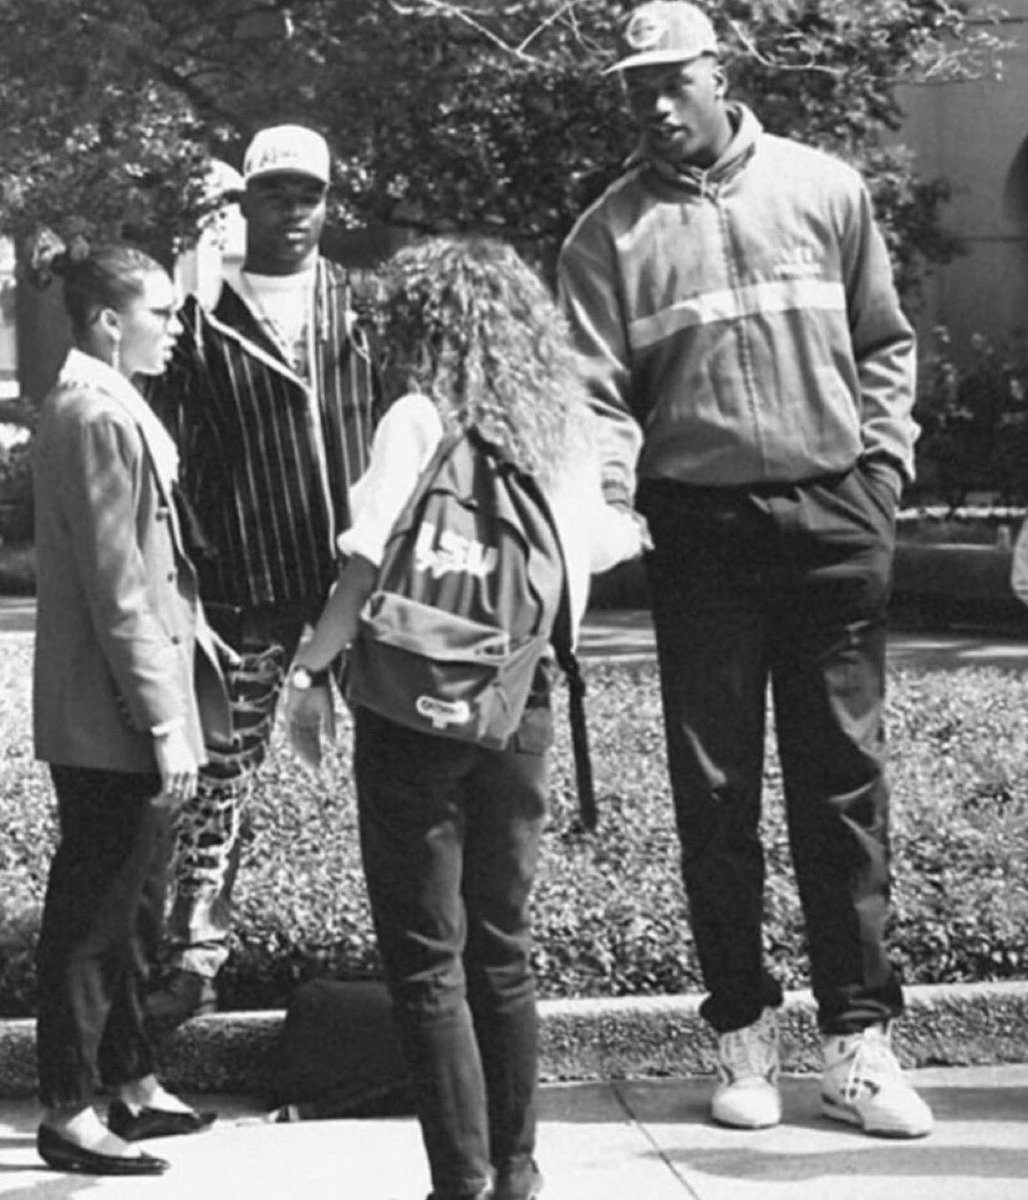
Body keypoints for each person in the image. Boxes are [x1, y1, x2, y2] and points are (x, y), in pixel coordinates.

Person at [557, 0, 933, 1139]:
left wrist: (880, 474)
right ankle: (742, 1036)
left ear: (720, 75)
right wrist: (610, 508)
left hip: (834, 516)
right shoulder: (605, 237)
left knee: (843, 788)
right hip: (699, 533)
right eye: (636, 87)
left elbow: (883, 342)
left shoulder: (824, 188)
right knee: (715, 798)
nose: (655, 103)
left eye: (673, 80)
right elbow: (594, 398)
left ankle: (856, 1045)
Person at [284, 236, 642, 1200]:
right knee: (502, 950)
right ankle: (515, 1170)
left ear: (427, 326)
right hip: (519, 704)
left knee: (426, 959)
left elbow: (364, 566)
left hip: (411, 709)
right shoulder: (562, 427)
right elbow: (591, 554)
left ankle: (460, 1181)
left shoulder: (416, 419)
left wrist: (310, 672)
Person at [145, 123, 379, 1026]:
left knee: (402, 760)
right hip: (248, 586)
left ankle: (424, 948)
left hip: (366, 581)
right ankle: (193, 957)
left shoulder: (361, 308)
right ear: (244, 202)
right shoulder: (201, 321)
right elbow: (168, 454)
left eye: (307, 195)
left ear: (328, 203)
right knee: (220, 776)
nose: (292, 210)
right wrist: (198, 567)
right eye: (274, 193)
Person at [30, 235, 233, 1175]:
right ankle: (69, 1111)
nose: (175, 327)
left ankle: (131, 1082)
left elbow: (150, 573)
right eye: (161, 312)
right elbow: (117, 590)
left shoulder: (109, 408)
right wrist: (162, 719)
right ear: (110, 323)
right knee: (94, 917)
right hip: (109, 716)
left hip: (124, 704)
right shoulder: (95, 417)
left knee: (137, 907)